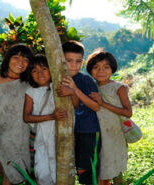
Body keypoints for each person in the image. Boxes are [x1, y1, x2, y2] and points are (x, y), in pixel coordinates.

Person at [0, 44, 34, 185]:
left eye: (25, 60)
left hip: (22, 137)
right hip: (0, 135)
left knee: (16, 175)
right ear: (8, 59)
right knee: (6, 173)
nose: (20, 63)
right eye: (16, 58)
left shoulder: (28, 84)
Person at [56, 40, 101, 185]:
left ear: (82, 62)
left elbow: (95, 106)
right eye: (69, 61)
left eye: (78, 61)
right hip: (70, 132)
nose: (73, 65)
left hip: (88, 132)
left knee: (87, 170)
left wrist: (74, 90)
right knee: (72, 166)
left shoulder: (86, 80)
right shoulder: (57, 78)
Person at [87, 49, 132, 185]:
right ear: (90, 70)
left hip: (114, 134)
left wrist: (103, 103)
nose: (101, 71)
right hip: (97, 135)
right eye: (96, 67)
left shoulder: (118, 88)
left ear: (112, 69)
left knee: (115, 169)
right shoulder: (90, 87)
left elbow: (128, 112)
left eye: (106, 67)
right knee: (102, 170)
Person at [23, 54, 67, 185]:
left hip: (59, 135)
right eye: (34, 71)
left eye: (44, 69)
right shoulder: (31, 91)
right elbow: (27, 117)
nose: (39, 74)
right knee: (42, 171)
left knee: (59, 169)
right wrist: (51, 116)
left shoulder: (59, 87)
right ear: (30, 74)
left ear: (51, 70)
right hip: (40, 138)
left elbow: (74, 105)